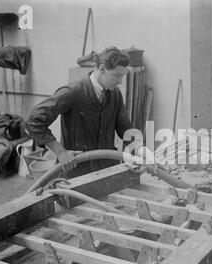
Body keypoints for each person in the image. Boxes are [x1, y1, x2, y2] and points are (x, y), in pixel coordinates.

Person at [25, 47, 133, 178]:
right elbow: (34, 120)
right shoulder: (72, 92)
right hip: (77, 170)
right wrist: (60, 152)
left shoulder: (115, 94)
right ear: (102, 69)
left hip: (107, 168)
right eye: (117, 76)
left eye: (122, 76)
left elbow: (125, 128)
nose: (120, 81)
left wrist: (139, 148)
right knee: (77, 198)